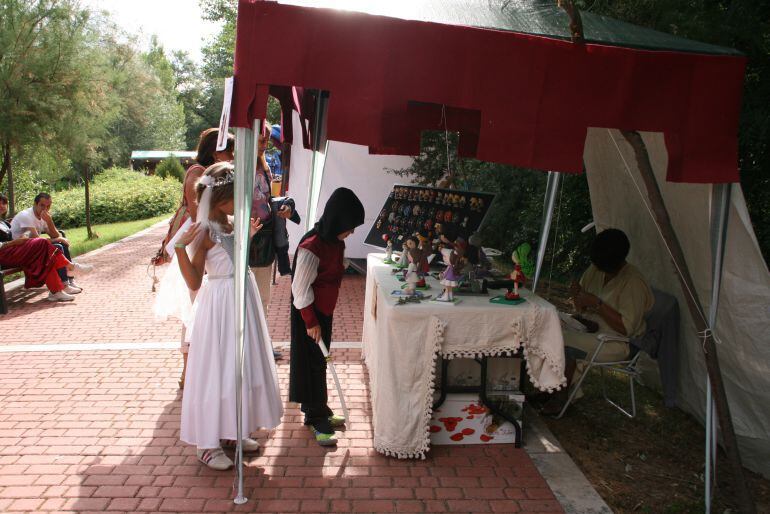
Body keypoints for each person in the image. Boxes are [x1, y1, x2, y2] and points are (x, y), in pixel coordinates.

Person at [174, 162, 282, 470]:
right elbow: (195, 280)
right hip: (220, 303)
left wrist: (246, 235)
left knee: (241, 366)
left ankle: (234, 429)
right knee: (217, 370)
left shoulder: (235, 222)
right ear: (221, 197)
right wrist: (181, 248)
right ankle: (207, 443)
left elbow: (235, 257)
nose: (244, 199)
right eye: (238, 195)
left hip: (242, 298)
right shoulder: (205, 230)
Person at [153, 128, 235, 388]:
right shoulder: (198, 174)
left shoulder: (215, 175)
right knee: (195, 313)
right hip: (197, 242)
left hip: (212, 241)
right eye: (229, 150)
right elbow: (198, 209)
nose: (232, 156)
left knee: (203, 314)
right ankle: (189, 372)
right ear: (215, 150)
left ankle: (198, 371)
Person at [542, 228, 653, 415]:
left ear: (617, 261)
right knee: (546, 328)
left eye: (602, 265)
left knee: (561, 342)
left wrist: (598, 304)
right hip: (590, 328)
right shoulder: (596, 269)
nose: (598, 268)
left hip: (616, 342)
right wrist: (577, 295)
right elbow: (581, 308)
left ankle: (561, 396)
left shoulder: (633, 282)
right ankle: (547, 388)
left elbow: (626, 328)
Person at [289, 187, 365, 446]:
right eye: (350, 226)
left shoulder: (335, 241)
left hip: (323, 312)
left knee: (320, 362)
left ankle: (319, 409)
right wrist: (311, 322)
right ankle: (315, 416)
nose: (352, 232)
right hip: (308, 314)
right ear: (338, 220)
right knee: (311, 364)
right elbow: (299, 289)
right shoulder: (312, 246)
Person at [248, 123, 299, 359]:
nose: (265, 141)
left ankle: (260, 346)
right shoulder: (238, 167)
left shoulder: (263, 164)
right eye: (261, 137)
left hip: (264, 239)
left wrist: (282, 207)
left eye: (266, 137)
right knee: (250, 297)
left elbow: (266, 198)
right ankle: (253, 349)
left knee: (262, 297)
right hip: (248, 241)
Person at [1, 194, 91, 301]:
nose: (1, 205)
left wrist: (49, 221)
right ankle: (70, 268)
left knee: (45, 255)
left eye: (4, 203)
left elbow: (54, 235)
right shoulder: (25, 215)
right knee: (43, 243)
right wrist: (13, 243)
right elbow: (25, 240)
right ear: (35, 204)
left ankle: (56, 291)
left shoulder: (2, 222)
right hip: (7, 255)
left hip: (20, 251)